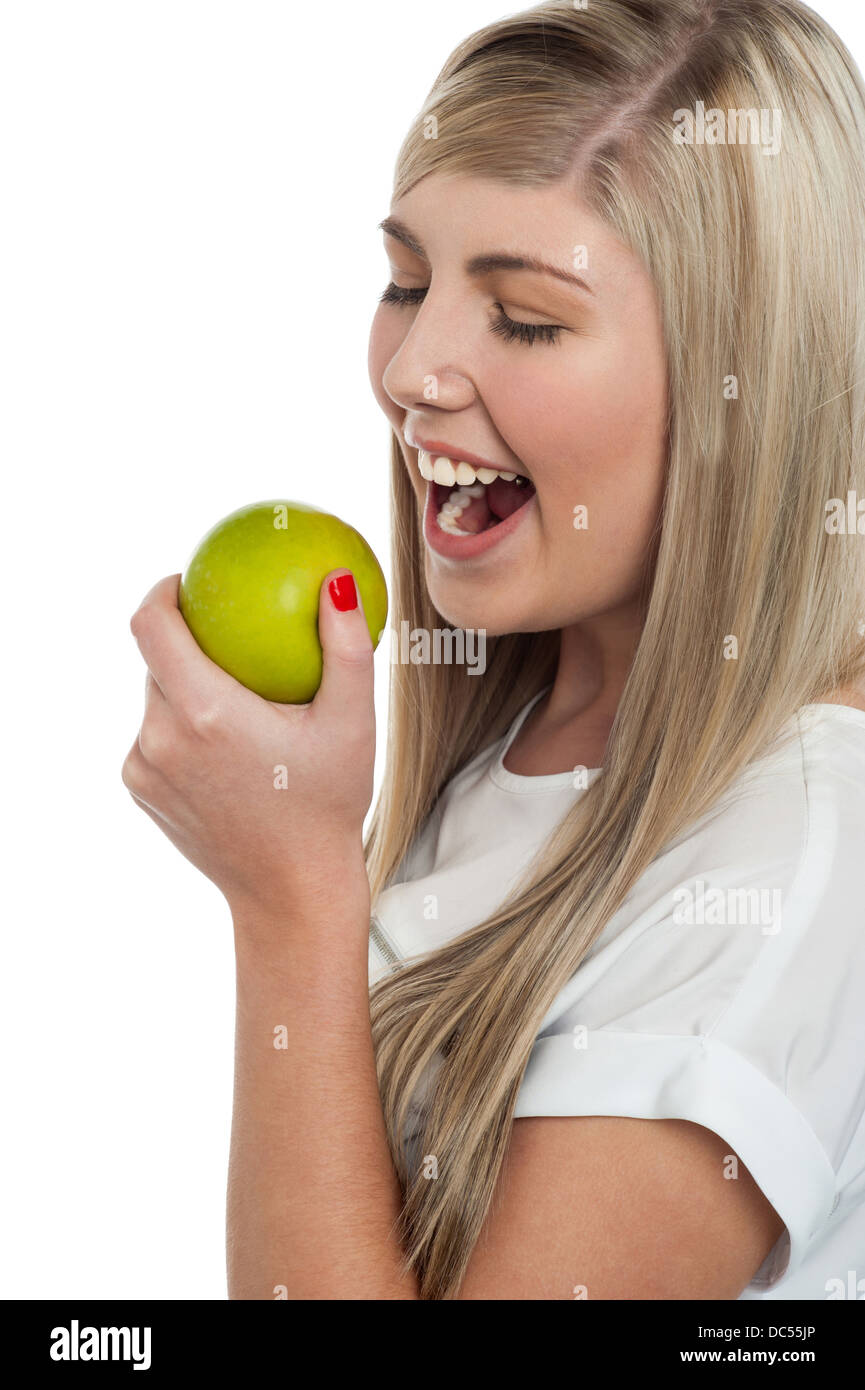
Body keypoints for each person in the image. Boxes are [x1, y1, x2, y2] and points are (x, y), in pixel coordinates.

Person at [123, 0, 865, 1300]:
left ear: (744, 383)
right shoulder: (529, 731)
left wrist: (289, 898)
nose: (412, 369)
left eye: (523, 318)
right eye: (406, 282)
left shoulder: (797, 851)